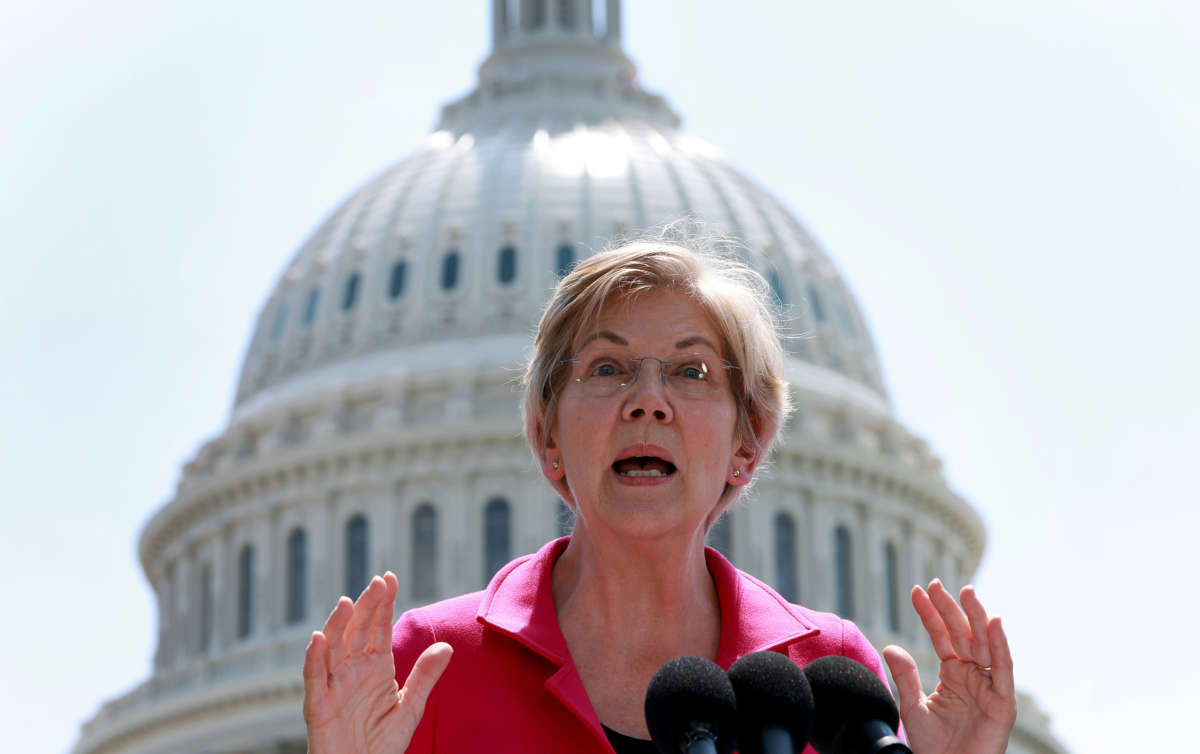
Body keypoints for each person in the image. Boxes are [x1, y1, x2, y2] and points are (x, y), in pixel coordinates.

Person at [301, 236, 1017, 753]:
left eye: (692, 372)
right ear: (548, 437)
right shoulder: (430, 670)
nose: (648, 402)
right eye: (608, 368)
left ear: (747, 445)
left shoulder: (831, 688)